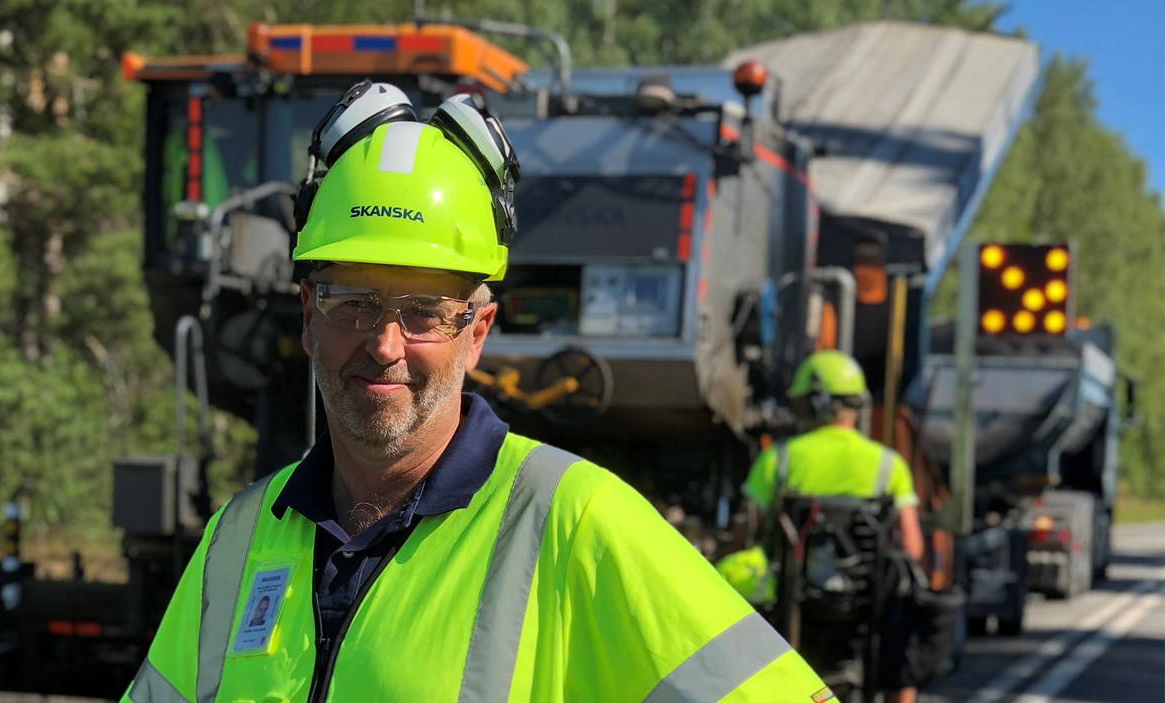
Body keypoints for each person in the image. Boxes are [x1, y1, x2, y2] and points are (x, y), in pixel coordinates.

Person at [121, 80, 836, 703]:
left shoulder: (575, 522)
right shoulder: (236, 540)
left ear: (478, 330)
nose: (385, 343)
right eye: (353, 303)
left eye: (424, 311)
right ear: (309, 316)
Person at [740, 350, 925, 703]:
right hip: (863, 616)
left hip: (793, 610)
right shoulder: (890, 466)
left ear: (815, 405)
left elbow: (745, 534)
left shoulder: (777, 460)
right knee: (902, 634)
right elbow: (913, 548)